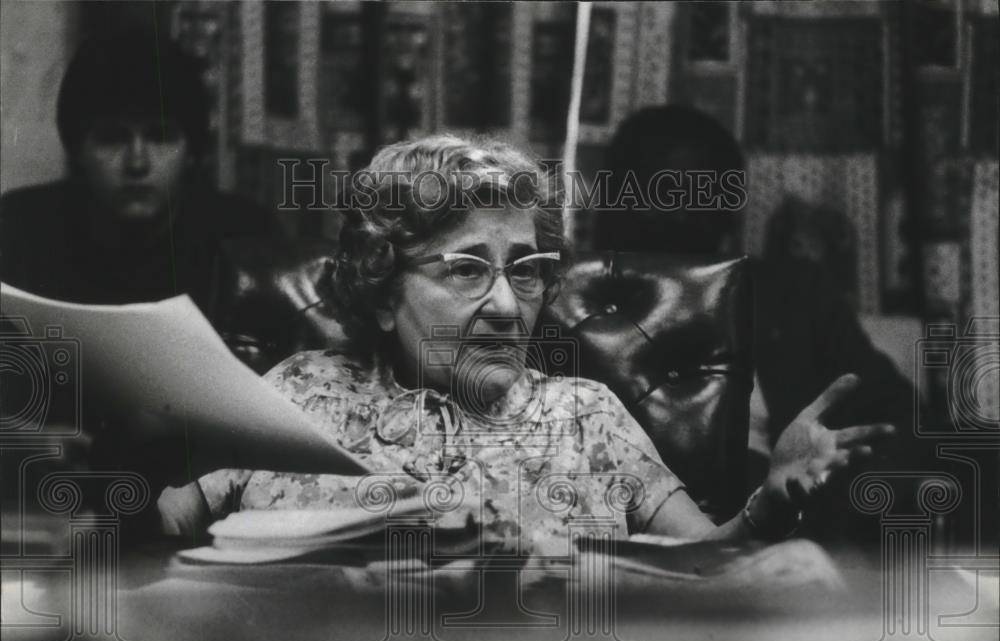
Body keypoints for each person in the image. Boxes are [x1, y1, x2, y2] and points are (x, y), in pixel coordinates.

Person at [157, 135, 892, 553]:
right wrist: (122, 448)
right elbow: (161, 530)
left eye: (528, 271)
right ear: (383, 290)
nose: (508, 305)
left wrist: (773, 499)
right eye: (468, 270)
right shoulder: (299, 391)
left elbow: (709, 569)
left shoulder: (585, 416)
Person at [592, 105, 919, 541]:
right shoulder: (571, 305)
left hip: (791, 531)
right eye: (661, 193)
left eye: (701, 195)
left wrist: (831, 487)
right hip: (629, 539)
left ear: (730, 213)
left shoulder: (796, 296)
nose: (681, 215)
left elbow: (896, 416)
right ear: (614, 203)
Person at [0, 32, 275, 310]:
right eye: (113, 138)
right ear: (76, 150)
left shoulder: (245, 240)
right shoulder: (20, 230)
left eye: (160, 138)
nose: (137, 163)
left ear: (192, 151)